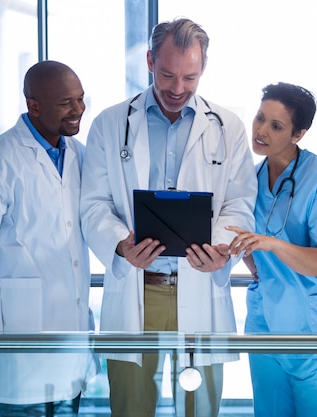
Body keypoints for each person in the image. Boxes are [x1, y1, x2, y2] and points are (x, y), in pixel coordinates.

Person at [79, 17, 257, 417]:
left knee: (200, 406)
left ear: (204, 68)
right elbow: (93, 204)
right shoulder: (110, 124)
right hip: (137, 287)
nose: (178, 88)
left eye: (190, 77)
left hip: (200, 284)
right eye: (167, 75)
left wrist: (218, 246)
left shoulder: (227, 127)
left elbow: (241, 202)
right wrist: (120, 246)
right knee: (130, 407)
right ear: (148, 61)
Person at [0, 60, 97, 417]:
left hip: (72, 346)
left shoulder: (80, 156)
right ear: (34, 105)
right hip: (19, 348)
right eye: (66, 102)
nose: (78, 110)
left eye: (80, 99)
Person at [228, 82, 317, 417]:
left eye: (276, 126)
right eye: (260, 118)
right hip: (267, 325)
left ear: (298, 134)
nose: (260, 130)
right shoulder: (251, 180)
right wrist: (251, 253)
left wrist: (271, 244)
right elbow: (249, 241)